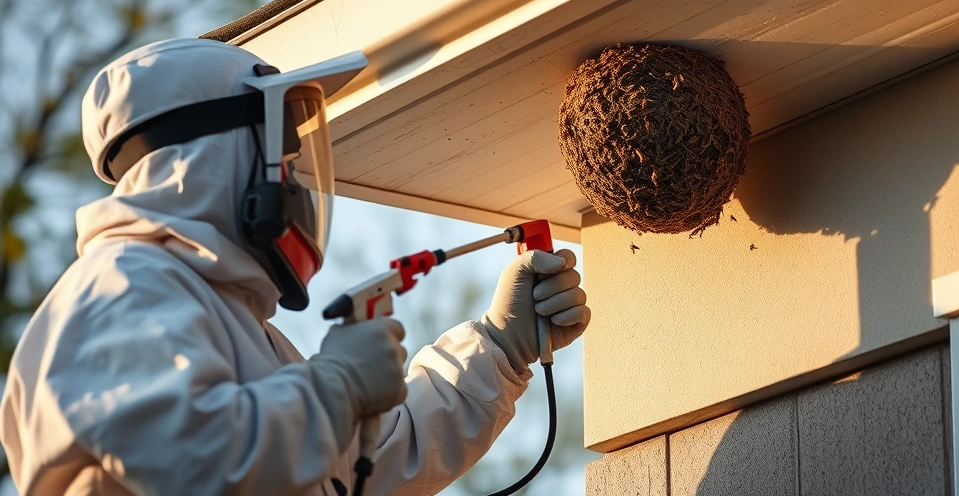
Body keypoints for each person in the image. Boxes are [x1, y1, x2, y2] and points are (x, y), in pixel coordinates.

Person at [0, 39, 590, 496]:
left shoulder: (243, 331)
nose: (296, 184)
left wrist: (500, 345)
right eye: (281, 156)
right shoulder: (124, 287)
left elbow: (374, 463)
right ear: (214, 156)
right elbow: (198, 467)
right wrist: (335, 387)